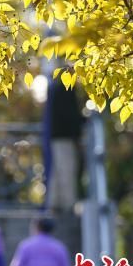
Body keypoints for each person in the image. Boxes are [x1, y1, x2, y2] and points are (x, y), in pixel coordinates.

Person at [44, 78, 84, 211]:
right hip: (65, 138)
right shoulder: (66, 89)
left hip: (57, 137)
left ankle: (54, 203)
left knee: (57, 170)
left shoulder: (57, 88)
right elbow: (70, 115)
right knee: (66, 169)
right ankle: (68, 203)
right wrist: (80, 127)